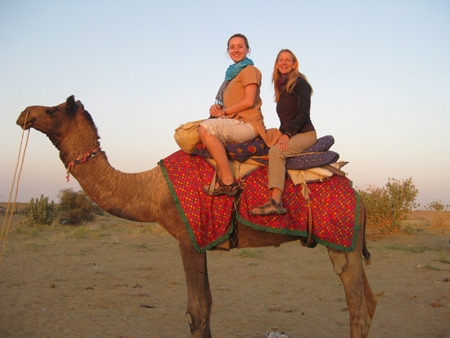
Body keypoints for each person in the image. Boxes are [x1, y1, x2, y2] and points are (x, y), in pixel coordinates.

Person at [199, 34, 280, 196]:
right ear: (228, 51)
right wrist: (216, 108)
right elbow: (226, 104)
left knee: (204, 129)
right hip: (233, 121)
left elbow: (249, 101)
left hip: (248, 124)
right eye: (232, 47)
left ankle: (228, 181)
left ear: (248, 50)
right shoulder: (230, 76)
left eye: (240, 46)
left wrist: (224, 112)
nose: (236, 50)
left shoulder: (250, 70)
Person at [251, 49, 317, 215]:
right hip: (291, 132)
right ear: (276, 64)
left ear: (294, 64)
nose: (284, 62)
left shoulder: (301, 84)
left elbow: (303, 113)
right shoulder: (282, 86)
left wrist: (287, 135)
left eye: (288, 60)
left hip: (304, 134)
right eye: (281, 60)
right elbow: (286, 118)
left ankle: (276, 201)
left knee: (276, 152)